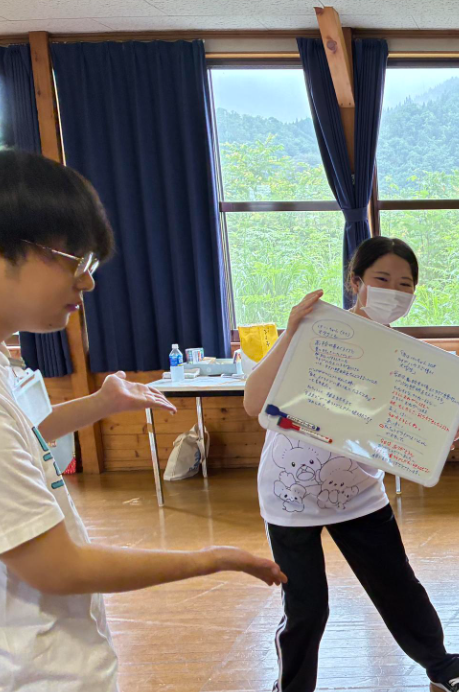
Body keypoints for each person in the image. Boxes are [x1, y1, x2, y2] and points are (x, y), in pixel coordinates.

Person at [0, 149, 287, 692]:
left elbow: (24, 439)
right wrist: (209, 559)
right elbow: (57, 568)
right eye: (75, 260)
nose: (87, 283)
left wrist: (99, 405)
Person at [243, 237, 459, 692]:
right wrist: (291, 330)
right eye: (381, 279)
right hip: (290, 494)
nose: (394, 291)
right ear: (355, 282)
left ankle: (444, 669)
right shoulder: (315, 330)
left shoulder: (407, 358)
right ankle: (291, 688)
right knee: (306, 606)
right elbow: (254, 402)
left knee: (398, 587)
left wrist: (438, 435)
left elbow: (400, 435)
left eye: (405, 284)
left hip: (359, 494)